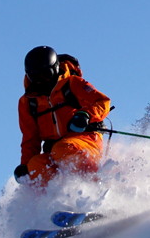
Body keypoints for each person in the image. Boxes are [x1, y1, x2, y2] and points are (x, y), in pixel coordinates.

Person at [14, 46, 111, 188]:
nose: (41, 81)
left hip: (85, 140)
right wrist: (25, 166)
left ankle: (95, 187)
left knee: (63, 148)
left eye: (46, 75)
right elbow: (30, 139)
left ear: (55, 69)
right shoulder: (28, 102)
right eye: (35, 77)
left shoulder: (72, 84)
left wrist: (85, 115)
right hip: (54, 151)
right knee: (35, 165)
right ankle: (50, 204)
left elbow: (102, 102)